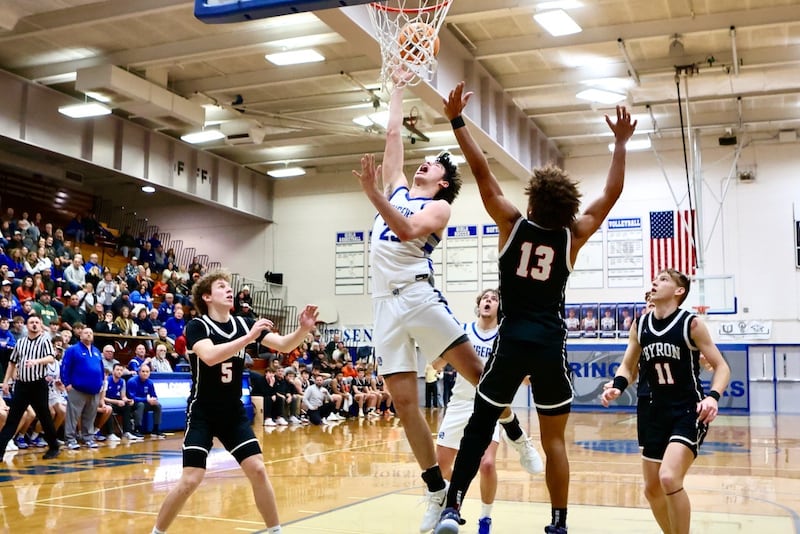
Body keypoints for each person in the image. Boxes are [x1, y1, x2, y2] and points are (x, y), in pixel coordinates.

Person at [434, 83, 637, 534]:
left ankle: (453, 508)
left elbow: (482, 172)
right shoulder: (572, 237)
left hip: (511, 344)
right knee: (554, 442)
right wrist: (620, 143)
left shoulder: (510, 224)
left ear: (531, 200)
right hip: (549, 345)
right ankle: (559, 524)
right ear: (566, 206)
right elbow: (612, 193)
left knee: (479, 427)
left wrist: (457, 121)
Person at [353, 74, 539, 533]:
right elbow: (393, 136)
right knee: (403, 402)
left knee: (479, 376)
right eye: (425, 161)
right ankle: (436, 489)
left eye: (434, 165)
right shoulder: (397, 188)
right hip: (383, 304)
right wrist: (395, 86)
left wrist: (375, 196)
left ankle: (515, 433)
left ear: (443, 182)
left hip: (418, 296)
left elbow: (405, 231)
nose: (424, 165)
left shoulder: (439, 210)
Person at [151, 270, 318, 534]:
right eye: (221, 287)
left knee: (258, 469)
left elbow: (285, 345)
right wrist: (249, 338)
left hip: (232, 412)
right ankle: (157, 532)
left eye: (229, 287)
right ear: (207, 296)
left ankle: (276, 531)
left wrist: (303, 330)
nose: (229, 290)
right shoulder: (198, 326)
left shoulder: (243, 323)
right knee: (191, 479)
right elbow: (209, 356)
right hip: (203, 411)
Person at [601, 269, 731, 534]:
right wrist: (617, 386)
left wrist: (713, 397)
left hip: (686, 410)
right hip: (653, 411)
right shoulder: (640, 325)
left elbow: (722, 367)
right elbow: (628, 366)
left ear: (678, 291)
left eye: (662, 279)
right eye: (655, 279)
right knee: (651, 490)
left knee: (669, 478)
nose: (654, 282)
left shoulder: (691, 324)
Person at [436, 289, 543, 534]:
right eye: (485, 298)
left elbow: (526, 377)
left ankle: (485, 518)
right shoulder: (461, 332)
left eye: (494, 299)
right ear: (479, 304)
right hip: (460, 402)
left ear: (499, 308)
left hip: (490, 405)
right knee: (441, 466)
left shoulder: (504, 336)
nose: (488, 301)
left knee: (487, 464)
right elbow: (438, 363)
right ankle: (453, 500)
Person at [0, 316, 60, 459]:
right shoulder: (20, 342)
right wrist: (7, 381)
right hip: (22, 385)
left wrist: (36, 361)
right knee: (13, 419)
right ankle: (0, 450)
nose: (34, 325)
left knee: (45, 417)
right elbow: (12, 363)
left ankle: (54, 446)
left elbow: (51, 358)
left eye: (37, 322)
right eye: (31, 322)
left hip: (38, 385)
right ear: (27, 326)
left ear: (40, 326)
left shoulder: (45, 340)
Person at [61, 327, 106, 449]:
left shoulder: (96, 351)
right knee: (73, 416)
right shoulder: (73, 350)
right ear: (80, 336)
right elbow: (65, 367)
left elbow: (101, 369)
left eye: (91, 333)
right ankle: (70, 439)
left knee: (90, 415)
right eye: (86, 333)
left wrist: (101, 382)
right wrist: (67, 384)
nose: (89, 335)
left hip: (95, 389)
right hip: (77, 389)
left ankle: (88, 438)